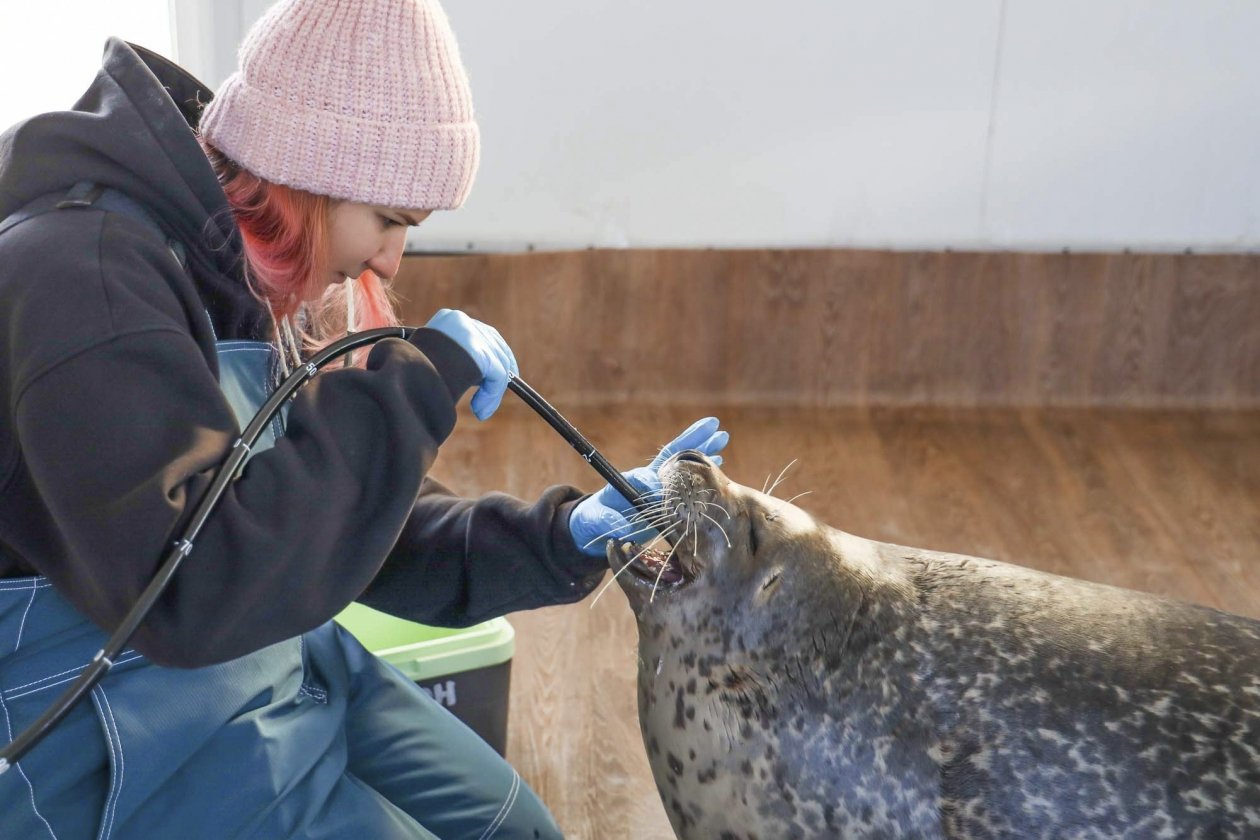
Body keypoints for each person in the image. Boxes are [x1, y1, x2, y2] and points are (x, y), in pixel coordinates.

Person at [0, 0, 727, 837]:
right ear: (310, 172)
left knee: (516, 829)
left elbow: (325, 522)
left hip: (264, 652)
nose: (390, 259)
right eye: (388, 220)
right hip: (107, 720)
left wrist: (560, 536)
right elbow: (189, 590)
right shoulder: (81, 281)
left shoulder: (227, 258)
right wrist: (412, 392)